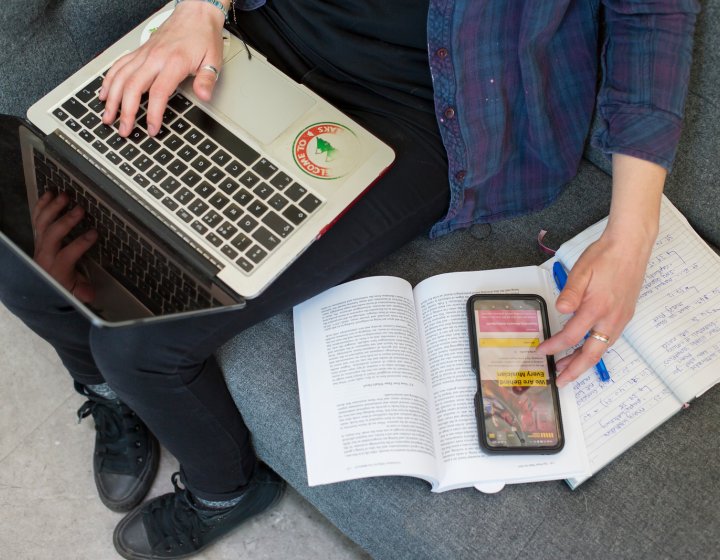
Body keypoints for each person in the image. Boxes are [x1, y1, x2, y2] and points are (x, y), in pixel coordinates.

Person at [0, 0, 699, 558]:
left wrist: (632, 234)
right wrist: (198, 8)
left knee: (140, 341)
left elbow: (654, 15)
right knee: (20, 230)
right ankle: (104, 387)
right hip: (261, 39)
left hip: (429, 117)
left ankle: (227, 490)